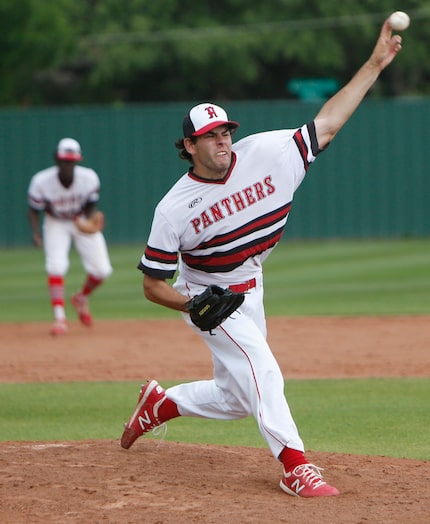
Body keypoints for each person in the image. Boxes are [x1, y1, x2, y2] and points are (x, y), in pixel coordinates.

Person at [120, 19, 402, 497]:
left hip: (252, 287)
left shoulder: (270, 153)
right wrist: (191, 306)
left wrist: (375, 64)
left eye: (226, 131)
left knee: (235, 397)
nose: (222, 140)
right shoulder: (173, 209)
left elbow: (330, 121)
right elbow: (152, 284)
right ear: (189, 146)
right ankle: (295, 466)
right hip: (207, 294)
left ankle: (160, 404)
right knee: (263, 367)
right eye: (210, 136)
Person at [28, 138, 113, 335]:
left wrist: (90, 222)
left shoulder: (89, 178)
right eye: (65, 160)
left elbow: (91, 206)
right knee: (56, 266)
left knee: (102, 270)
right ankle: (59, 319)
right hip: (55, 222)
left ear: (77, 160)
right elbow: (33, 209)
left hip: (79, 220)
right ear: (57, 160)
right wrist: (35, 232)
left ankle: (81, 298)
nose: (68, 164)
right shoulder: (41, 181)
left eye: (71, 160)